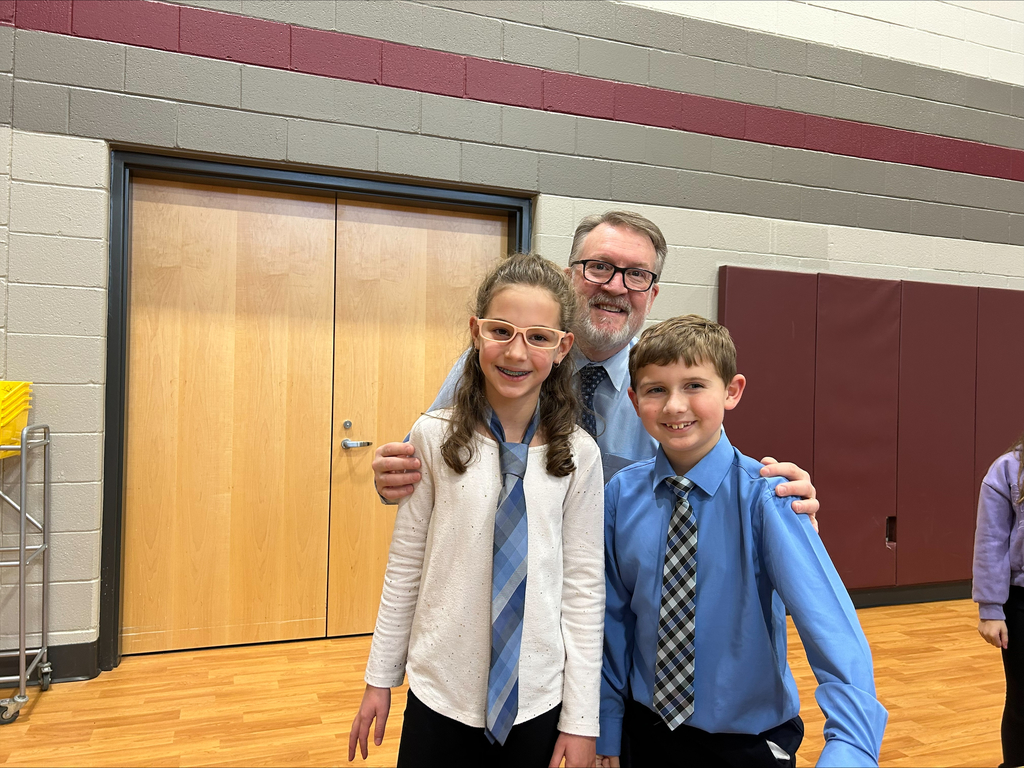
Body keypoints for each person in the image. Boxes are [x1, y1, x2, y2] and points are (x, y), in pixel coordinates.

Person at [372, 211, 820, 518]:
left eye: (636, 274)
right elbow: (417, 469)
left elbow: (716, 484)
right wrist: (391, 477)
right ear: (570, 277)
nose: (616, 287)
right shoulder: (503, 362)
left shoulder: (663, 388)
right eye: (600, 267)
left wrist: (779, 501)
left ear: (652, 295)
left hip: (621, 589)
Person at [348, 254, 605, 767]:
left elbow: (583, 590)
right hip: (439, 694)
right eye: (501, 330)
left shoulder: (581, 455)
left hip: (536, 701)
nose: (517, 351)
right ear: (475, 332)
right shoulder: (432, 437)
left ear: (562, 348)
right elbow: (405, 566)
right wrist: (380, 677)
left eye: (538, 337)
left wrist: (581, 719)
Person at [598, 315, 887, 767]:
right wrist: (608, 726)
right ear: (634, 401)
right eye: (655, 390)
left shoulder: (769, 497)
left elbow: (829, 625)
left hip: (746, 741)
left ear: (731, 391)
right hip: (646, 731)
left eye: (694, 385)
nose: (675, 405)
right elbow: (613, 620)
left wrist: (852, 745)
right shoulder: (620, 493)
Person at [973, 429, 1024, 768]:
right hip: (1020, 602)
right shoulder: (1007, 470)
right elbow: (991, 542)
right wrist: (991, 609)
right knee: (1021, 698)